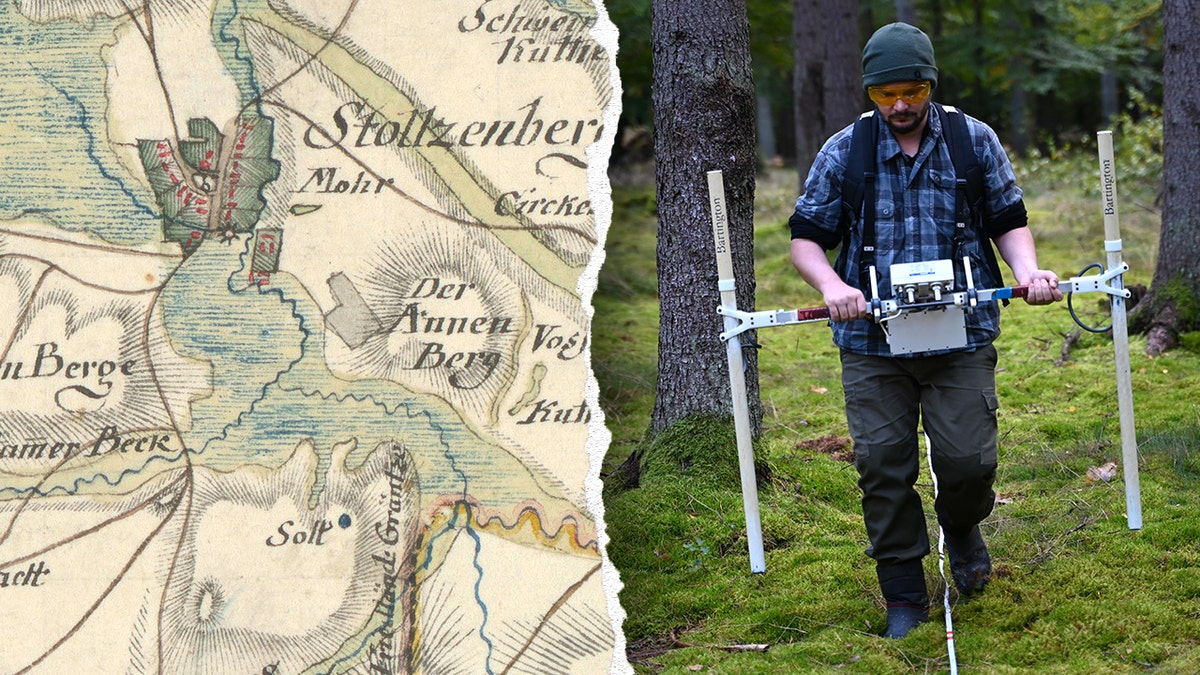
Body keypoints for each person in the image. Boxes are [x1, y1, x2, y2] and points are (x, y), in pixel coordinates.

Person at [788, 22, 1063, 639]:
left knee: (967, 462)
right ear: (870, 93)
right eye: (885, 95)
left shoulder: (973, 140)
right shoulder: (845, 150)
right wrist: (833, 288)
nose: (901, 106)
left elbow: (1008, 220)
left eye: (911, 90)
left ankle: (962, 526)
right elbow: (807, 239)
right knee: (883, 466)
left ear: (930, 84)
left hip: (960, 336)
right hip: (872, 346)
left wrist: (1028, 272)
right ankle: (904, 595)